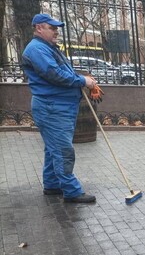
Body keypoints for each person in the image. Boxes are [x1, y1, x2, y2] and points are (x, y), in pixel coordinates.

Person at [21, 14, 97, 203]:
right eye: (52, 28)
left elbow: (61, 72)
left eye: (56, 28)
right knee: (63, 150)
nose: (56, 32)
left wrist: (83, 80)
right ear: (39, 28)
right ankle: (72, 191)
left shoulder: (46, 47)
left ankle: (52, 184)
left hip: (57, 106)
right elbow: (54, 74)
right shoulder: (37, 49)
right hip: (53, 107)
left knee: (52, 148)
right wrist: (82, 81)